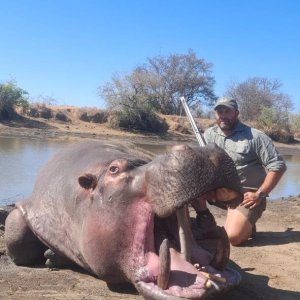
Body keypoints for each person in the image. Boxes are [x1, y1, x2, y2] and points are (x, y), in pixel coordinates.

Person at [192, 96, 287, 246]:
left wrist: (259, 194)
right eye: (219, 112)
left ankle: (245, 221)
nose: (222, 115)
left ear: (236, 113)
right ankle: (206, 222)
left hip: (247, 197)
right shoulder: (209, 134)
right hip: (219, 193)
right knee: (186, 189)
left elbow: (278, 166)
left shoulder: (255, 136)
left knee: (233, 238)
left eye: (227, 111)